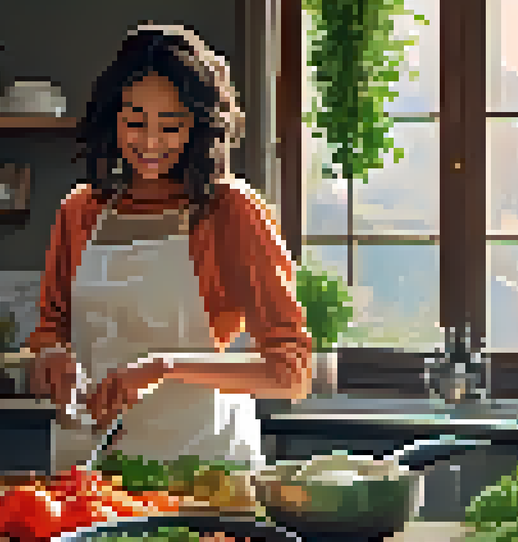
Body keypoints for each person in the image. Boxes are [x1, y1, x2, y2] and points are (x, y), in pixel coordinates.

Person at [27, 23, 313, 472]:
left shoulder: (230, 210)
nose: (151, 142)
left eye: (171, 126)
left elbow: (290, 374)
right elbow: (51, 329)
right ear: (113, 120)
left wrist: (163, 366)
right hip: (88, 475)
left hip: (203, 475)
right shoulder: (81, 211)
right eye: (135, 122)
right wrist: (53, 359)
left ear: (197, 126)